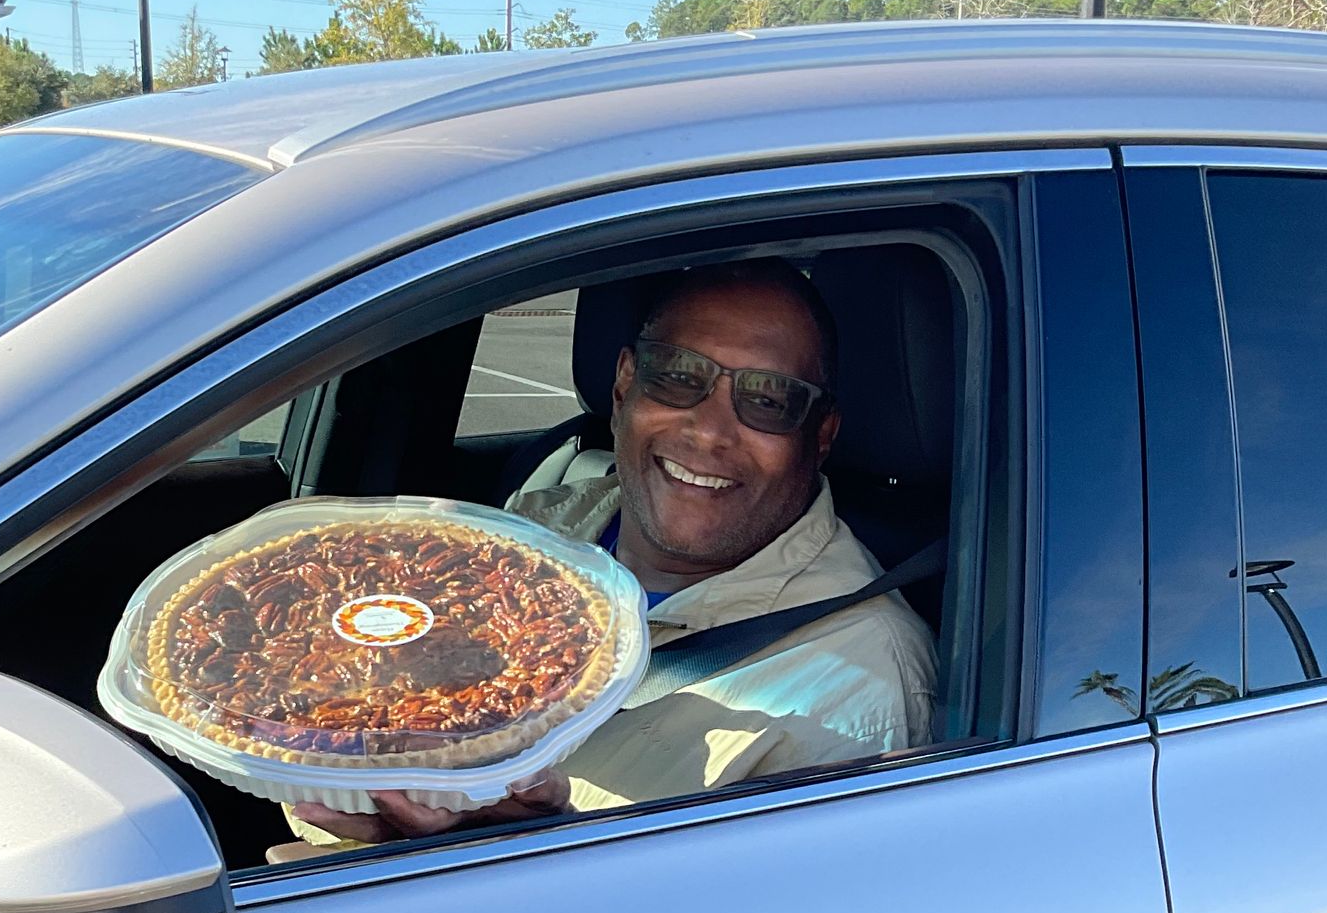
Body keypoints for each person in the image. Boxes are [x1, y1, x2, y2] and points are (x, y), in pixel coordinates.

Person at [272, 260, 937, 855]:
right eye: (679, 377)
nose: (709, 429)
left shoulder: (861, 684)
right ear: (624, 387)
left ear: (819, 435)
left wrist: (508, 845)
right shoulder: (542, 518)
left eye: (768, 400)